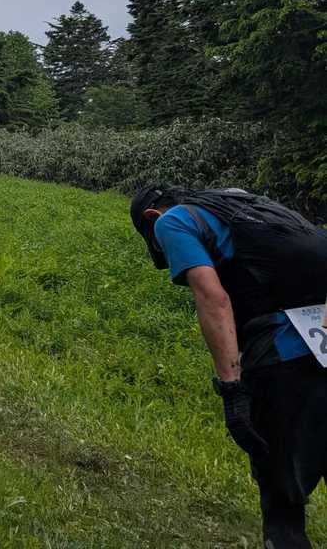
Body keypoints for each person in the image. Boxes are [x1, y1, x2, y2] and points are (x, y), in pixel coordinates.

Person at [130, 183, 327, 549]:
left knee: (281, 500)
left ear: (151, 217)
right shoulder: (247, 203)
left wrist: (232, 390)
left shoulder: (171, 221)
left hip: (283, 352)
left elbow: (213, 298)